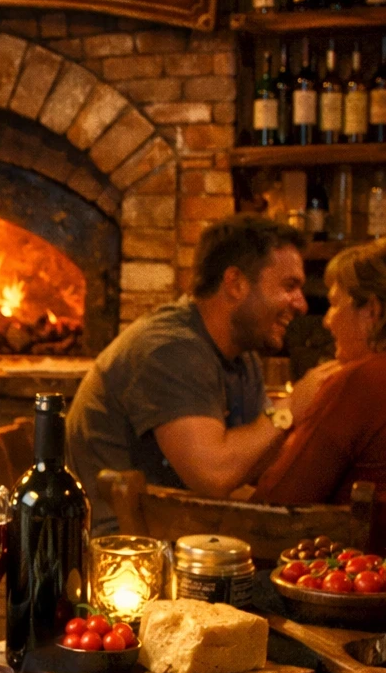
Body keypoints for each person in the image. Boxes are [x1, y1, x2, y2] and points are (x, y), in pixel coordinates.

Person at [66, 213, 326, 534]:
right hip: (124, 553)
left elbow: (254, 464)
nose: (301, 304)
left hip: (182, 532)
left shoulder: (242, 357)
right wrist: (290, 407)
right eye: (289, 286)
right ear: (235, 283)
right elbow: (214, 475)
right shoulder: (170, 349)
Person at [254, 238, 386, 551]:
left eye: (335, 304)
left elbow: (276, 506)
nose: (327, 321)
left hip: (357, 584)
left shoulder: (359, 382)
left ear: (371, 310)